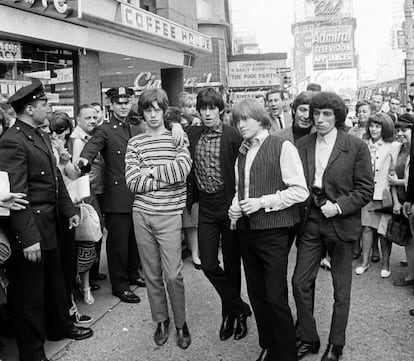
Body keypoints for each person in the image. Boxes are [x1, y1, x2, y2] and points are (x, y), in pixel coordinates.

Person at [0, 79, 93, 361]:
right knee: (30, 296)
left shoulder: (39, 134)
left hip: (52, 223)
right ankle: (33, 352)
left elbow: (55, 180)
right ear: (30, 109)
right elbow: (16, 196)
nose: (47, 108)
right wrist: (27, 239)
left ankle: (59, 328)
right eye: (43, 104)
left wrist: (70, 211)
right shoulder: (12, 141)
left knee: (54, 283)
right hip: (32, 228)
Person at [293, 92, 373, 361]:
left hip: (341, 222)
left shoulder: (355, 146)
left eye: (327, 114)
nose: (320, 119)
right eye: (316, 113)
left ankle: (335, 344)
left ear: (338, 117)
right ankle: (308, 337)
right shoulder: (302, 144)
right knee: (299, 282)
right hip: (310, 221)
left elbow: (365, 190)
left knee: (342, 290)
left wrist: (338, 206)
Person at [229, 98, 309, 361]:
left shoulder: (282, 145)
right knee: (256, 293)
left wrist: (262, 202)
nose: (241, 125)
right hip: (246, 231)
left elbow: (299, 191)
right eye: (237, 120)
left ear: (261, 119)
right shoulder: (242, 151)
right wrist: (234, 207)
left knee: (275, 297)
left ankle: (286, 354)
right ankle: (269, 345)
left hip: (273, 231)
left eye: (246, 119)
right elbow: (240, 188)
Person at [125, 88, 192, 349]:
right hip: (141, 214)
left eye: (157, 109)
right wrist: (163, 175)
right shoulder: (135, 143)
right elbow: (132, 181)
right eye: (148, 110)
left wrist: (149, 172)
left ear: (165, 111)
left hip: (169, 214)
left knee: (173, 275)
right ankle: (161, 320)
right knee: (151, 274)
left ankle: (181, 322)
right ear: (142, 113)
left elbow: (183, 170)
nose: (152, 115)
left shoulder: (177, 137)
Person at [186, 87, 251, 342]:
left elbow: (245, 169)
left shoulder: (233, 135)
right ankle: (240, 307)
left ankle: (230, 316)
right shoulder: (193, 133)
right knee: (209, 263)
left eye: (212, 108)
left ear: (220, 110)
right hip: (206, 206)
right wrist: (179, 127)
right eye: (203, 108)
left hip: (229, 205)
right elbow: (169, 126)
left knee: (233, 265)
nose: (207, 113)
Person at [77, 87, 147, 303]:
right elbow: (92, 146)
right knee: (118, 244)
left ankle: (132, 274)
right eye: (119, 103)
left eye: (126, 102)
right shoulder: (105, 129)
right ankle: (120, 284)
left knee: (135, 239)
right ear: (111, 105)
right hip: (117, 195)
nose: (123, 106)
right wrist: (84, 160)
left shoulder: (137, 128)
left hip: (138, 192)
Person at [355, 113, 398, 278]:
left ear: (384, 127)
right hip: (367, 193)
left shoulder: (393, 145)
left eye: (378, 126)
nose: (374, 129)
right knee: (366, 228)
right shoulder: (363, 143)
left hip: (384, 193)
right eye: (372, 126)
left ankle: (386, 264)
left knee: (384, 231)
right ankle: (364, 262)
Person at [388, 114, 414, 288]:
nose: (400, 133)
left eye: (404, 130)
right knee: (409, 240)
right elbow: (390, 176)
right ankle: (411, 274)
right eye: (397, 130)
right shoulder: (397, 148)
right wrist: (396, 201)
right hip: (405, 202)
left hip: (412, 201)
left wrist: (398, 182)